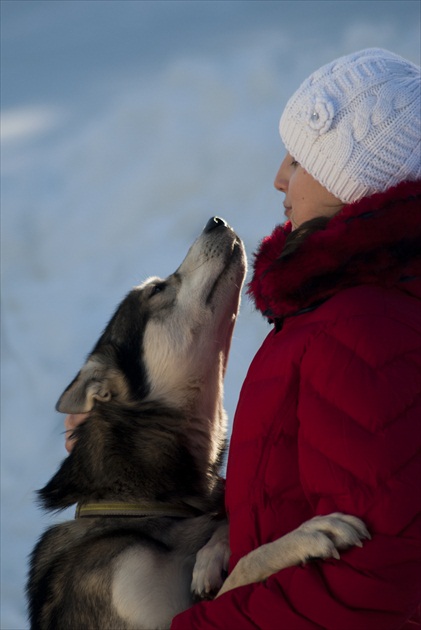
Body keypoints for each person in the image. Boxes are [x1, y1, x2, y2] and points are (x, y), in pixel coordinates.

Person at [65, 48, 421, 628]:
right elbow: (301, 485)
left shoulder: (362, 326)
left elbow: (380, 575)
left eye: (300, 161)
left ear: (353, 184)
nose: (279, 177)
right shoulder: (336, 309)